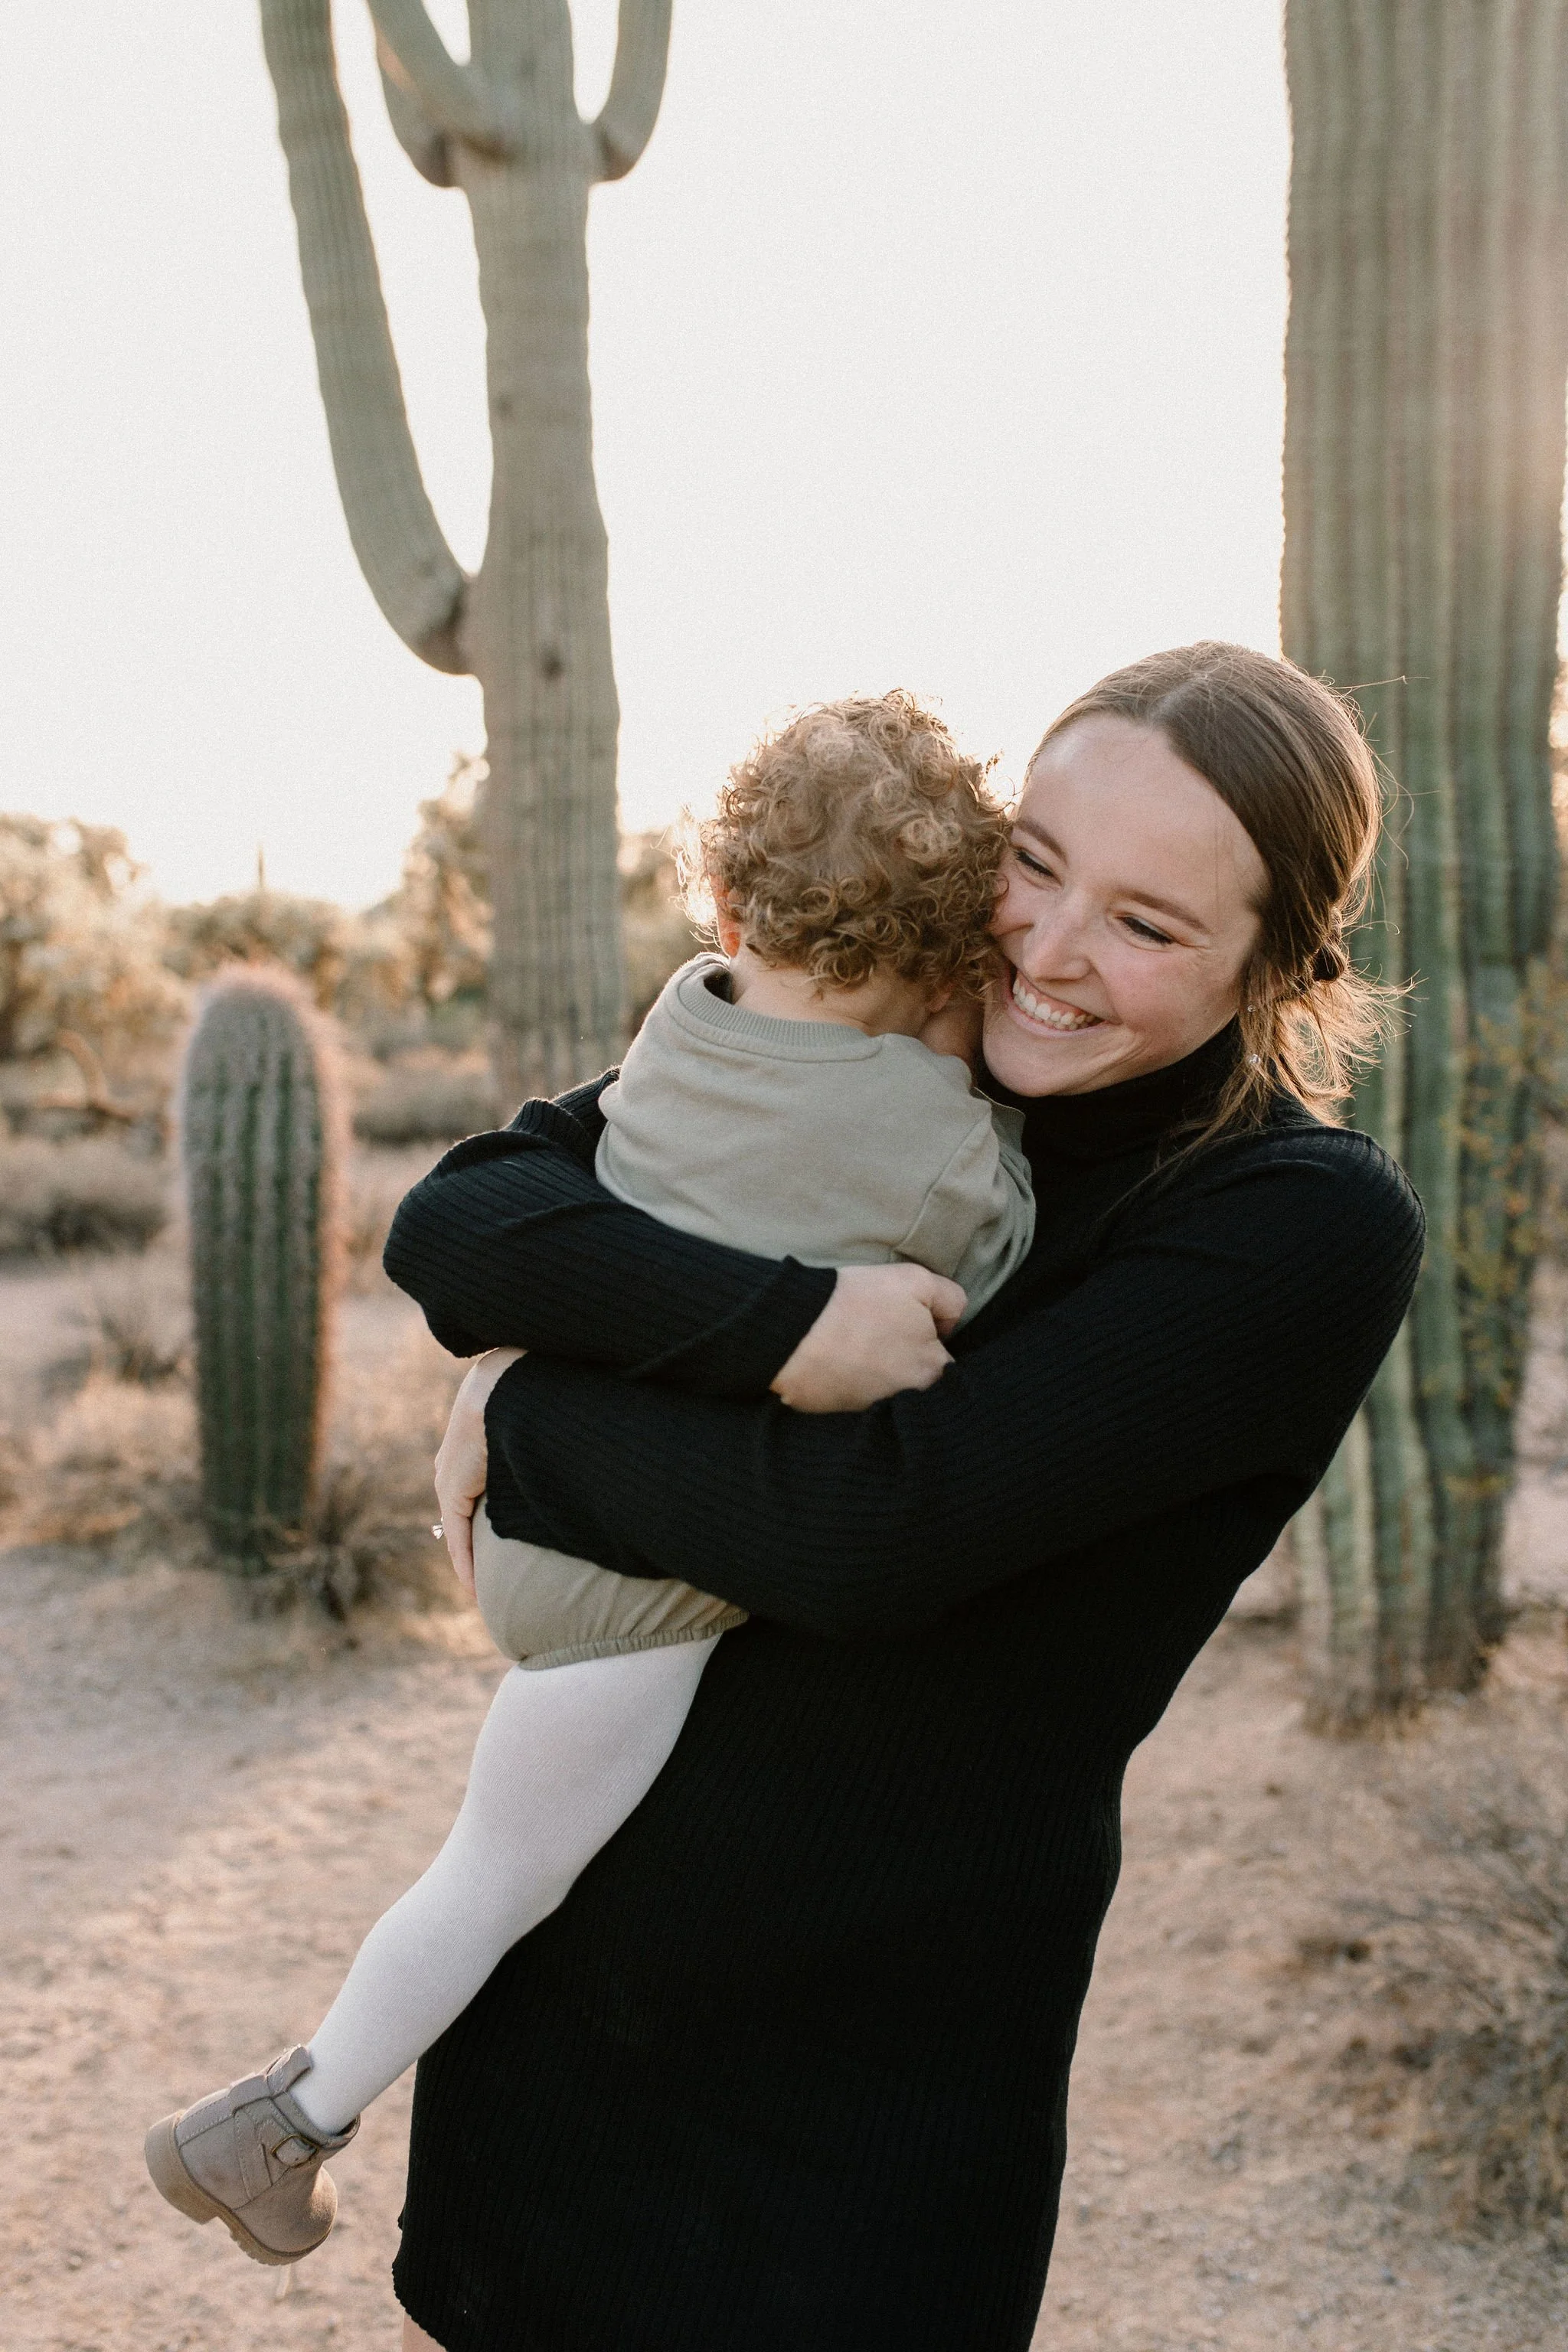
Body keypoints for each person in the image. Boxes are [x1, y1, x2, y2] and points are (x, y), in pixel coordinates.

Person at [377, 642, 1425, 2352]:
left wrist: (528, 1413)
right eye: (1036, 863)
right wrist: (793, 1325)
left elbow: (874, 1533)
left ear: (1274, 969)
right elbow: (464, 1226)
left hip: (858, 2116)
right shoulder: (852, 1043)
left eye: (1148, 925)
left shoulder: (1291, 1222)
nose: (1049, 951)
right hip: (563, 2028)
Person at [142, 694, 1036, 2269]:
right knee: (500, 1871)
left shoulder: (676, 1027)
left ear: (724, 906)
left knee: (523, 1857)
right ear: (958, 949)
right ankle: (284, 2121)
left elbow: (576, 1195)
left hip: (531, 1517)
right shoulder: (941, 1148)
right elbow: (987, 1269)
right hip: (636, 1595)